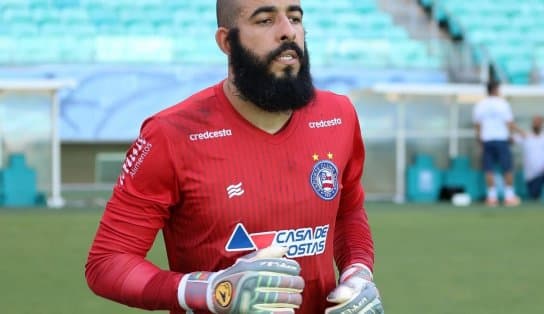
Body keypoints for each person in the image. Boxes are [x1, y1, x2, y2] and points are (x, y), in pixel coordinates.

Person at [85, 1, 384, 313]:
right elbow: (107, 262)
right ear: (227, 42)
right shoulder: (169, 135)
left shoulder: (338, 115)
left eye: (294, 18)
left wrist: (358, 273)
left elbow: (347, 213)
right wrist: (213, 291)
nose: (288, 32)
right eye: (265, 20)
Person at [473, 81, 524, 206]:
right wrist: (520, 132)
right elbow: (509, 123)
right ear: (495, 90)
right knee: (507, 168)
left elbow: (478, 125)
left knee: (488, 169)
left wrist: (480, 141)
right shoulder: (503, 104)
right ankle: (509, 197)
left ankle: (492, 197)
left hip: (487, 140)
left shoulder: (480, 105)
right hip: (501, 139)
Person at [514, 115, 544, 199]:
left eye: (539, 123)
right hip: (532, 175)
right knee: (534, 195)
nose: (537, 124)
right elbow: (510, 140)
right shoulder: (526, 136)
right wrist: (514, 128)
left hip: (542, 171)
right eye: (535, 122)